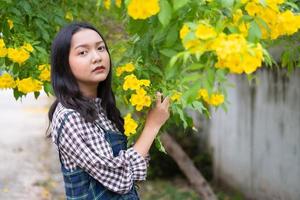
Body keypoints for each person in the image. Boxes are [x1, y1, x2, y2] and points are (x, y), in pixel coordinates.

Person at [47, 22, 170, 200]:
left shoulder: (100, 107)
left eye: (101, 48)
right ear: (64, 64)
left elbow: (133, 173)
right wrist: (152, 126)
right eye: (83, 52)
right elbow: (121, 179)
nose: (97, 57)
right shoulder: (71, 117)